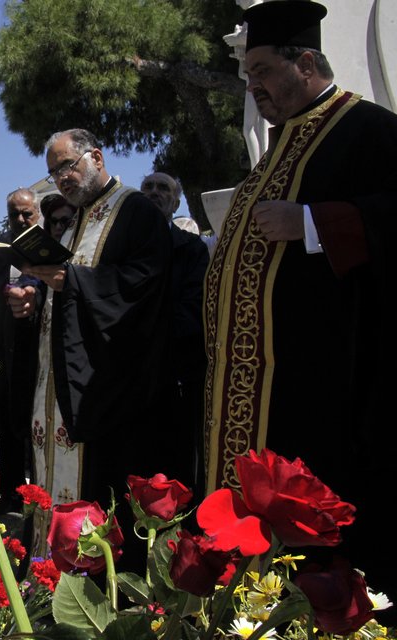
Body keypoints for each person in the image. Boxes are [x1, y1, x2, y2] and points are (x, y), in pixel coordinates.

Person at [204, 0, 397, 598]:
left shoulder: (371, 130)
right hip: (247, 393)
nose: (252, 85)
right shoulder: (277, 148)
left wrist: (315, 222)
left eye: (261, 70)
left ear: (306, 61)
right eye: (248, 74)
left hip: (325, 390)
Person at [9, 129, 173, 542]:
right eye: (53, 172)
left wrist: (75, 281)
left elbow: (143, 286)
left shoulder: (135, 211)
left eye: (67, 166)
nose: (62, 178)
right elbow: (61, 287)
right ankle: (45, 575)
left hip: (103, 390)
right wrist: (32, 299)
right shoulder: (71, 219)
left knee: (95, 493)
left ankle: (82, 582)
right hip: (55, 383)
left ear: (96, 157)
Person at [141, 172, 209, 493]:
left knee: (173, 473)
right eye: (148, 187)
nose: (154, 193)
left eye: (163, 188)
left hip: (174, 378)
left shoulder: (191, 249)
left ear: (176, 202)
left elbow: (193, 309)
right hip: (129, 381)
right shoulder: (118, 247)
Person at [0, 188, 43, 512]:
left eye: (27, 214)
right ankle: (10, 497)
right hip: (3, 358)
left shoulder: (48, 250)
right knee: (6, 431)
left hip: (36, 358)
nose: (20, 220)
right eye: (14, 214)